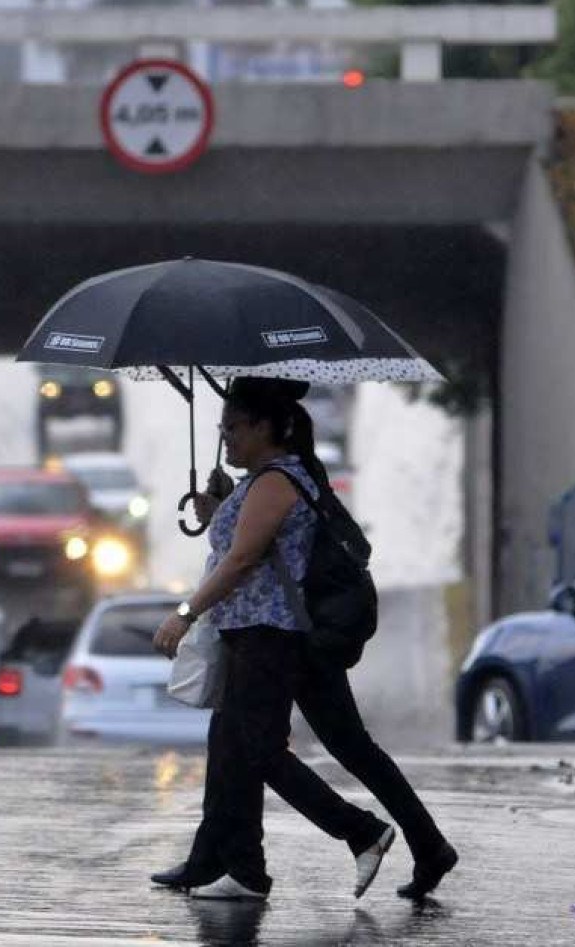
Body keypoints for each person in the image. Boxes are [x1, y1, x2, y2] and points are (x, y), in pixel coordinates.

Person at [149, 376, 458, 902]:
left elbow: (243, 559)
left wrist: (185, 612)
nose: (227, 439)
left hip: (271, 636)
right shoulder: (270, 478)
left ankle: (357, 832)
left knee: (257, 749)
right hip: (276, 633)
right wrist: (221, 506)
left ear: (269, 427)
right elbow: (252, 540)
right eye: (223, 429)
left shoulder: (275, 479)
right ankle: (228, 862)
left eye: (235, 428)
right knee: (266, 746)